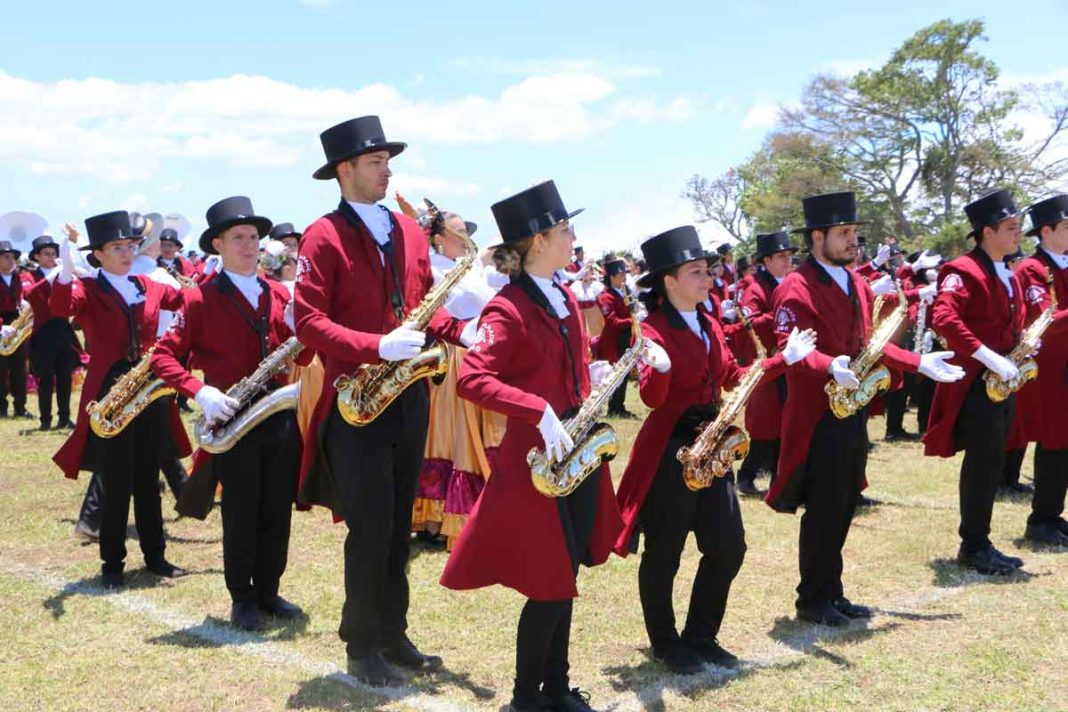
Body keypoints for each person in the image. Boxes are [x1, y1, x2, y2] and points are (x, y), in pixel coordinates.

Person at [294, 115, 470, 686]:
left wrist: (465, 330)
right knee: (369, 526)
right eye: (374, 162)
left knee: (398, 524)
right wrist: (374, 345)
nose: (386, 170)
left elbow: (421, 305)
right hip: (356, 402)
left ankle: (392, 631)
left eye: (386, 160)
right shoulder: (322, 235)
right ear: (344, 171)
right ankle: (360, 643)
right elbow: (308, 322)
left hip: (409, 394)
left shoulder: (409, 231)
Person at [440, 180, 623, 712]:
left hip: (575, 448)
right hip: (535, 458)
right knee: (548, 579)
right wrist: (537, 410)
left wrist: (595, 376)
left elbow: (564, 368)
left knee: (565, 573)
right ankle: (526, 699)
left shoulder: (563, 294)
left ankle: (558, 688)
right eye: (565, 229)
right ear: (538, 240)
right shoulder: (508, 307)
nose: (572, 237)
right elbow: (473, 379)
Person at [614, 226, 815, 674]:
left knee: (728, 546)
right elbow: (650, 398)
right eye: (697, 272)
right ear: (669, 281)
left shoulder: (707, 322)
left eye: (708, 271)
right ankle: (666, 643)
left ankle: (701, 636)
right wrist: (659, 368)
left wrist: (785, 359)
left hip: (713, 443)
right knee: (664, 552)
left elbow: (730, 376)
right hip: (671, 450)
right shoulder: (651, 329)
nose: (708, 279)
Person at [768, 192, 962, 625]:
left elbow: (871, 345)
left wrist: (918, 362)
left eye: (854, 232)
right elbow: (790, 348)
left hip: (852, 408)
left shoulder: (854, 281)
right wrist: (828, 365)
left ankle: (831, 591)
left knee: (844, 502)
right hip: (818, 415)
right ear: (817, 237)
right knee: (823, 507)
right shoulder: (795, 287)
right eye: (843, 233)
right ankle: (811, 598)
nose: (852, 240)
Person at [152, 195, 311, 629]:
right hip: (232, 419)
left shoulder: (280, 293)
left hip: (278, 415)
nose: (249, 245)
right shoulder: (200, 300)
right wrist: (200, 392)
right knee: (240, 510)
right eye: (238, 237)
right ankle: (242, 597)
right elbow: (164, 358)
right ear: (217, 244)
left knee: (276, 509)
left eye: (254, 237)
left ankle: (269, 591)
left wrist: (305, 329)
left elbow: (305, 354)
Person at [50, 212, 190, 589]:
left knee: (148, 475)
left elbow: (190, 300)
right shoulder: (89, 288)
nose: (127, 253)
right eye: (117, 247)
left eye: (130, 246)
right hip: (110, 392)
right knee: (116, 479)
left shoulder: (149, 285)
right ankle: (112, 563)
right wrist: (65, 267)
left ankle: (156, 556)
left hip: (150, 389)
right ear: (97, 254)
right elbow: (62, 306)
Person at [924, 189, 1030, 575]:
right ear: (987, 231)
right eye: (1011, 227)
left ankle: (981, 540)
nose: (1019, 234)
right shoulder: (962, 270)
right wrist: (987, 355)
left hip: (1001, 382)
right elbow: (945, 319)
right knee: (983, 463)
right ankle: (973, 544)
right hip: (975, 384)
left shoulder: (1009, 272)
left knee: (994, 460)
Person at [412, 210, 503, 547]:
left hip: (476, 353)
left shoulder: (472, 268)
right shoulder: (431, 268)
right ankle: (434, 517)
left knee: (473, 436)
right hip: (449, 355)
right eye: (459, 230)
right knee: (447, 436)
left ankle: (467, 512)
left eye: (467, 230)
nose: (465, 236)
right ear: (438, 237)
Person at [1012, 194, 1068, 546]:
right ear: (1046, 231)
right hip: (1051, 370)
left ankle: (1053, 515)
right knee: (1055, 441)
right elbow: (1042, 320)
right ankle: (1042, 518)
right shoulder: (1032, 270)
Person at [735, 231, 797, 496]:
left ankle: (779, 479)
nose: (787, 261)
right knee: (766, 426)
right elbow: (747, 324)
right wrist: (778, 315)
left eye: (789, 255)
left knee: (786, 424)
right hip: (768, 361)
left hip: (790, 360)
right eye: (781, 256)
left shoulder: (791, 283)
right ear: (767, 260)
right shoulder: (756, 289)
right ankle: (747, 476)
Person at [23, 235, 79, 430]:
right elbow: (29, 294)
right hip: (43, 331)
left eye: (54, 253)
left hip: (62, 328)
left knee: (65, 377)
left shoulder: (64, 274)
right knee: (45, 378)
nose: (51, 257)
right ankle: (45, 420)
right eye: (46, 254)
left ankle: (64, 417)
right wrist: (52, 274)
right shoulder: (29, 275)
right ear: (37, 256)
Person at [0, 239, 36, 421]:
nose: (11, 260)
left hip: (17, 322)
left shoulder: (19, 277)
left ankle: (20, 407)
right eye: (6, 257)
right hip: (2, 322)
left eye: (13, 257)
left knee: (20, 368)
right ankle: (1, 407)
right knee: (1, 369)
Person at [595, 257, 635, 418]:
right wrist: (632, 319)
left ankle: (620, 406)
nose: (624, 277)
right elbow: (611, 321)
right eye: (620, 274)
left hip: (625, 338)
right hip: (614, 341)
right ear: (611, 276)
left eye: (624, 273)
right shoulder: (606, 297)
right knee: (617, 375)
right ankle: (614, 408)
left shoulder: (625, 292)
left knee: (624, 375)